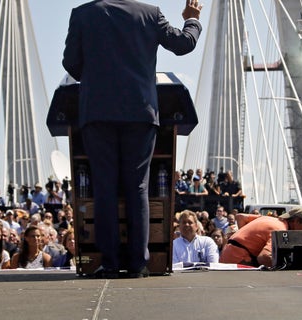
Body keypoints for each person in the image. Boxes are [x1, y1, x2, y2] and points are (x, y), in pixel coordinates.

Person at [62, 0, 203, 278]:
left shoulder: (82, 14)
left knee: (104, 187)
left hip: (97, 112)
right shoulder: (150, 14)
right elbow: (183, 44)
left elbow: (71, 63)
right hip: (140, 113)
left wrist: (96, 76)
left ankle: (110, 263)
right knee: (137, 187)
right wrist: (192, 19)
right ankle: (138, 263)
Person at [219, 207, 302, 268]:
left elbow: (240, 217)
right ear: (296, 221)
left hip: (226, 253)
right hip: (238, 259)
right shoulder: (280, 230)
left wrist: (245, 239)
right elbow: (263, 258)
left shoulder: (268, 218)